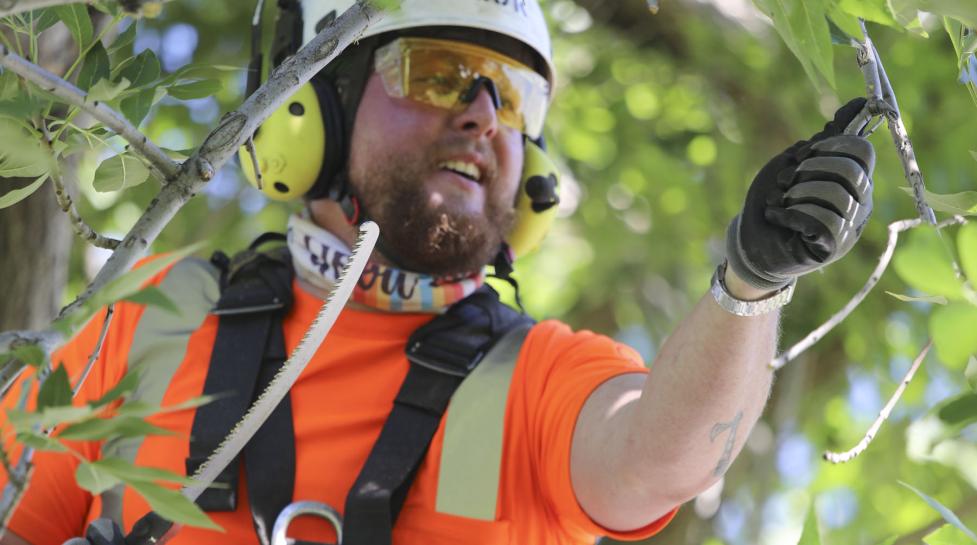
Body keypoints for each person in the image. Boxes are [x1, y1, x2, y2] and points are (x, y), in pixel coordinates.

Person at [0, 0, 875, 544]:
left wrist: (751, 282)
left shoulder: (542, 377)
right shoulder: (145, 318)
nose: (485, 117)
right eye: (441, 71)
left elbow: (659, 451)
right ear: (313, 108)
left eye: (513, 95)